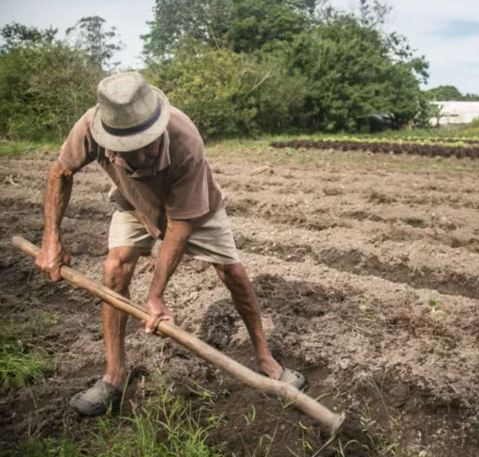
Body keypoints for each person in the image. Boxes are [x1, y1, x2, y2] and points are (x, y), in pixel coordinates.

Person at [34, 72, 304, 416]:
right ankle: (114, 377)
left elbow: (179, 226)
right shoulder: (90, 127)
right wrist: (50, 240)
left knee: (232, 272)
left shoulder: (184, 139)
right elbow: (61, 172)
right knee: (114, 268)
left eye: (146, 142)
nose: (142, 153)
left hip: (194, 209)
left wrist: (156, 295)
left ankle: (267, 360)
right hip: (133, 204)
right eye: (130, 149)